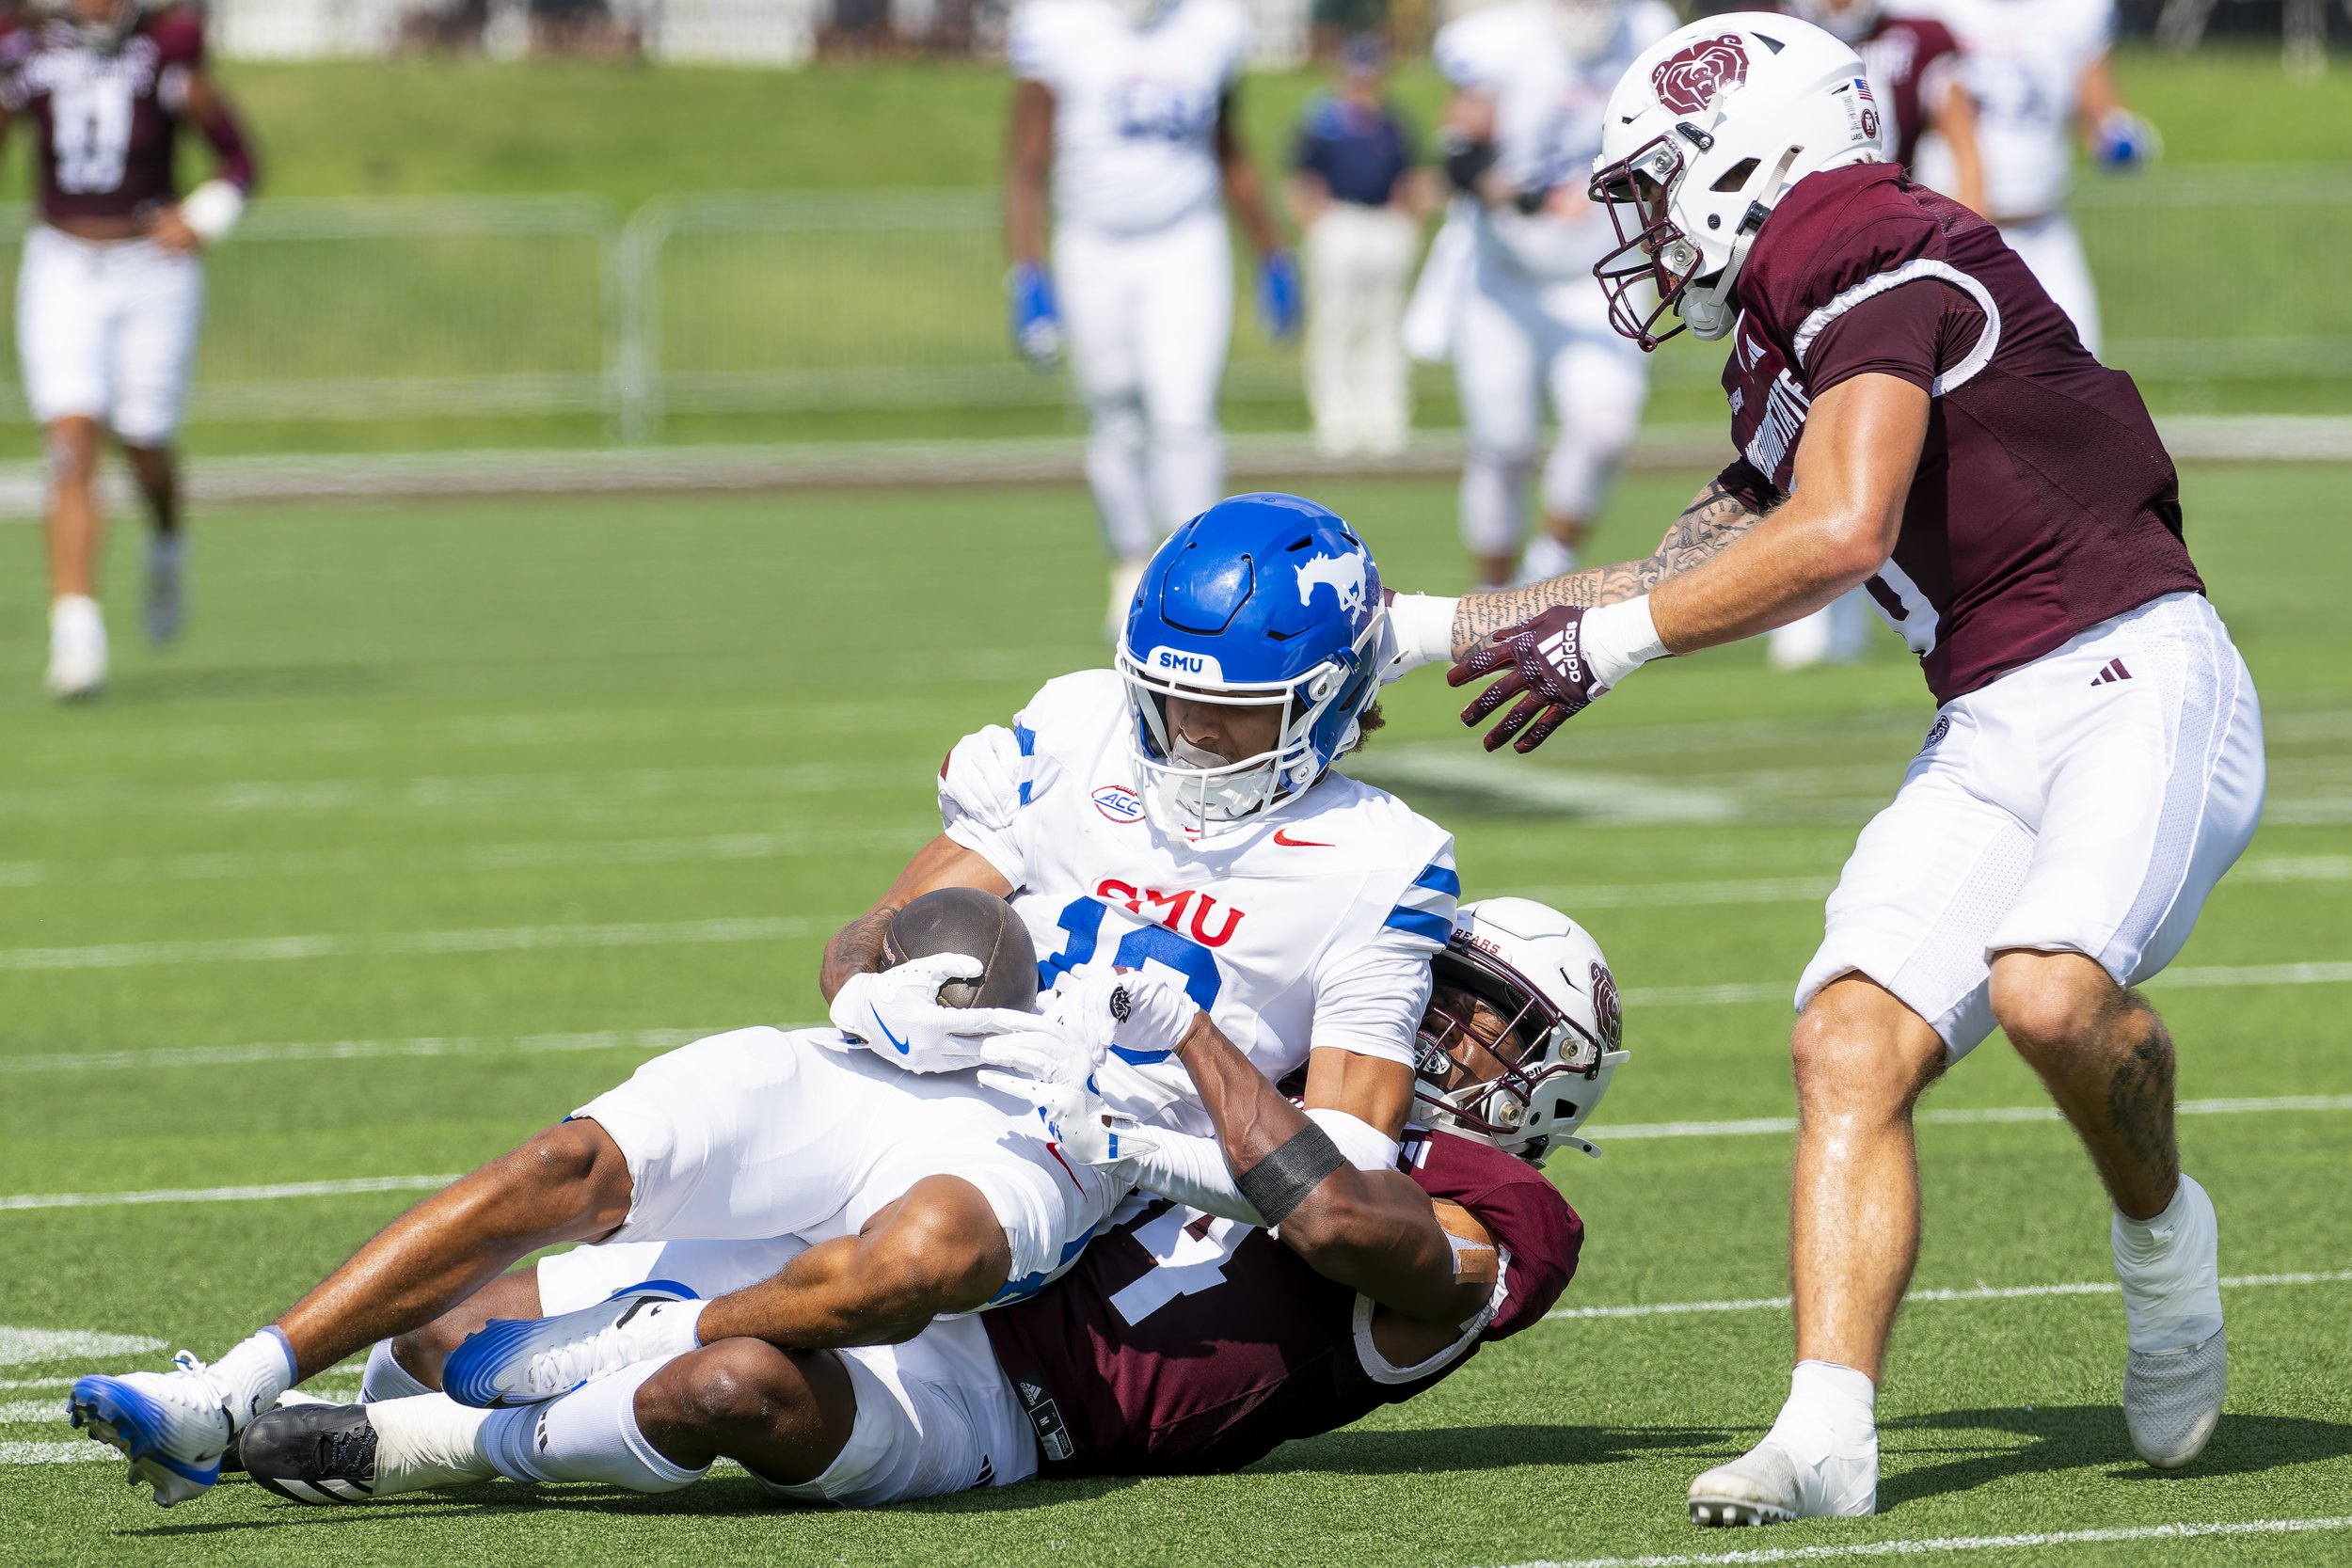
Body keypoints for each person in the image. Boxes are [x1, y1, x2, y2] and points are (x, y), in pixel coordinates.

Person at [1379, 11, 2265, 1525]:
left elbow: (1841, 527)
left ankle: (2164, 1239)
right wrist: (1410, 631)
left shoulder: (1866, 237)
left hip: (2134, 669)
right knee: (1847, 1038)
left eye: (1658, 183)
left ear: (1750, 154)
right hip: (1991, 714)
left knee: (2053, 990)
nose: (1646, 226)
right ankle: (1827, 1429)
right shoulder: (1793, 316)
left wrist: (1620, 648)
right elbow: (1687, 553)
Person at [230, 897, 1621, 1510]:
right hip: (963, 1261)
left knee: (727, 1388)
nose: (1442, 1022)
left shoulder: (1501, 1200)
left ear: (1551, 1075)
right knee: (444, 1328)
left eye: (1489, 1014)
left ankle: (431, 1450)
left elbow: (1350, 1228)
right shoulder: (1291, 1064)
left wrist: (1190, 1044)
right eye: (1440, 986)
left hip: (1024, 1405)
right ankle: (427, 1394)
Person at [1002, 0, 1299, 636]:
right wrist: (1026, 269)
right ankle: (1131, 562)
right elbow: (1026, 160)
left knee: (1185, 409)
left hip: (1184, 238)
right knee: (1113, 407)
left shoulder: (1212, 26)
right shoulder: (1054, 26)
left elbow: (1228, 145)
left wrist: (1270, 248)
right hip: (1092, 241)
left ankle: (1195, 578)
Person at [0, 0, 257, 699]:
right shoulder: (27, 49)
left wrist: (202, 217)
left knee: (146, 442)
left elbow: (240, 158)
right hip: (63, 264)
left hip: (153, 268)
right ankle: (76, 633)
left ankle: (168, 541)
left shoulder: (167, 49)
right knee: (71, 439)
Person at [1428, 0, 1677, 590]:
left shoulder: (1649, 32)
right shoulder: (1501, 41)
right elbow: (1459, 155)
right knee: (1504, 446)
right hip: (1505, 279)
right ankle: (1490, 598)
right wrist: (1532, 200)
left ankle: (1544, 575)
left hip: (1600, 273)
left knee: (1605, 427)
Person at [1769, 0, 1985, 671]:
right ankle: (1799, 601)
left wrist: (1969, 233)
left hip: (1889, 255)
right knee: (1792, 436)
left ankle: (1861, 601)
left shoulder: (1918, 36)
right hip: (1794, 254)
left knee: (1876, 443)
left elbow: (1958, 132)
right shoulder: (1772, 28)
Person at [1914, 0, 2156, 356]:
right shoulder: (1921, 8)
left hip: (2044, 229)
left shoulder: (2078, 11)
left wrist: (2117, 135)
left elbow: (2096, 104)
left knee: (2080, 370)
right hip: (1949, 233)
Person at [1291, 36, 1422, 457]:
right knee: (1336, 324)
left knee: (1383, 326)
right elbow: (1303, 181)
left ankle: (1385, 419)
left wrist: (1406, 222)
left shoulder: (1392, 124)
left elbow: (1408, 180)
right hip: (1340, 223)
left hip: (1383, 223)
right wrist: (1317, 225)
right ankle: (1336, 420)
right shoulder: (1323, 124)